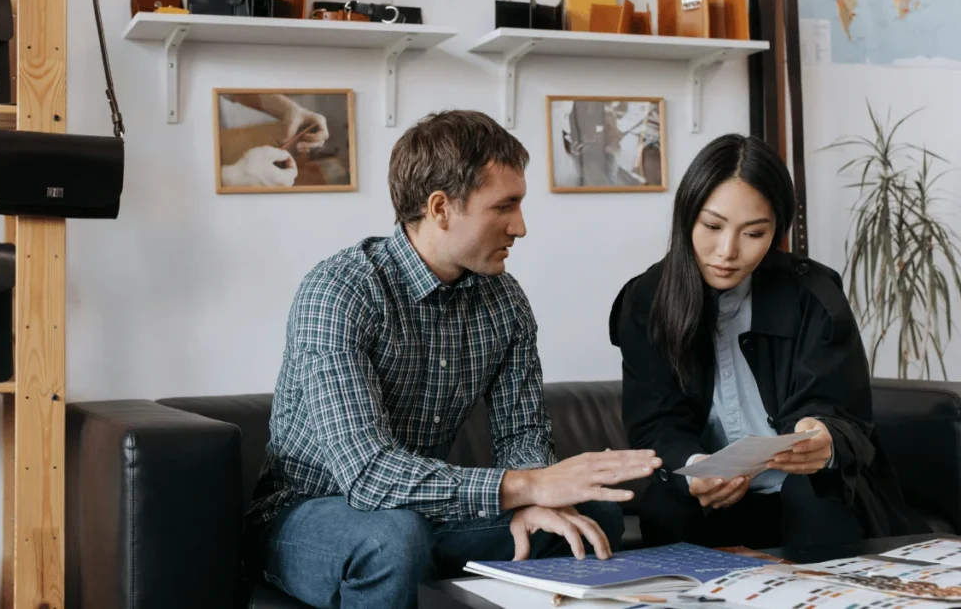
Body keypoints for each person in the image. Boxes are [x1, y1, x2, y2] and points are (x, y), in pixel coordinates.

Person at [244, 110, 661, 609]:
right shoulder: (338, 292)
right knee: (394, 537)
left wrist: (534, 498)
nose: (521, 227)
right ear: (441, 208)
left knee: (591, 515)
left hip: (425, 514)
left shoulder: (504, 301)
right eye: (504, 207)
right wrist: (527, 485)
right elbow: (368, 475)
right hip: (310, 516)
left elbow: (522, 434)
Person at [608, 133, 927, 551]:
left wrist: (824, 438)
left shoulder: (814, 294)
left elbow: (841, 410)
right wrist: (695, 467)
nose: (727, 251)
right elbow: (655, 421)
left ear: (776, 230)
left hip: (804, 489)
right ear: (686, 216)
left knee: (814, 498)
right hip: (713, 496)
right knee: (668, 504)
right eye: (712, 226)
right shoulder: (646, 301)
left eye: (753, 233)